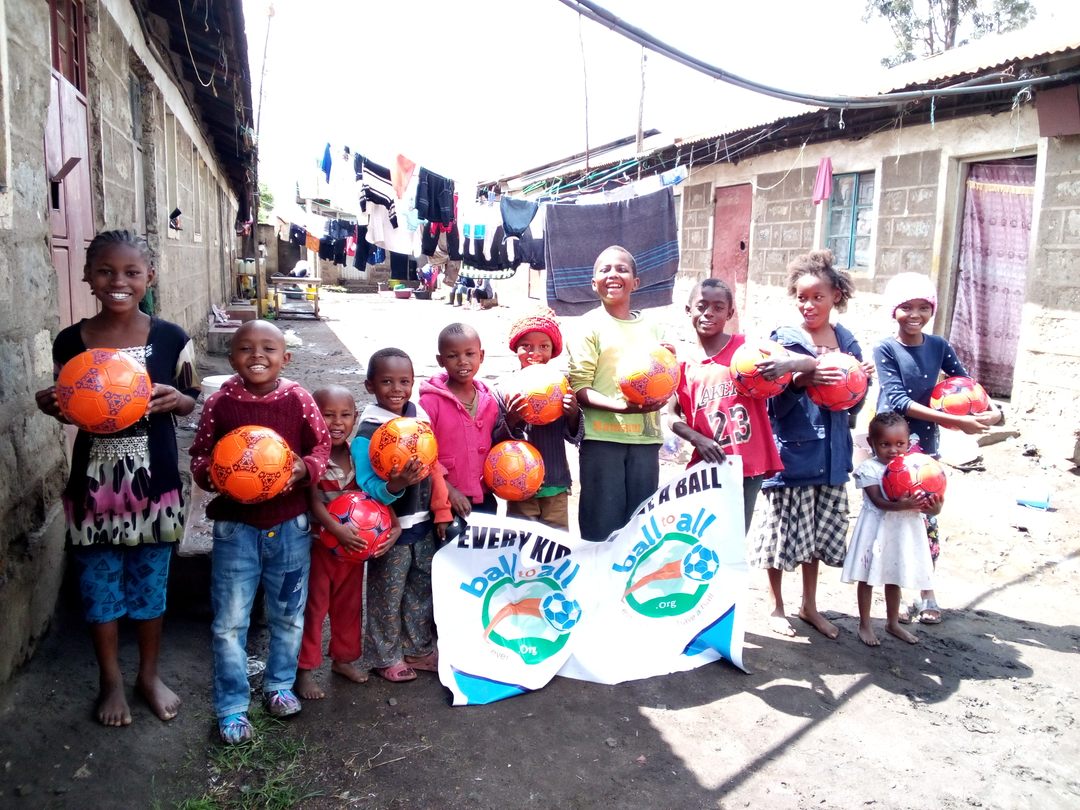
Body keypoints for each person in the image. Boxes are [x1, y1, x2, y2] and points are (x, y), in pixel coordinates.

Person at [34, 230, 198, 728]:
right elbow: (71, 405)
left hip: (155, 481)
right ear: (88, 276)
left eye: (131, 272)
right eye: (105, 271)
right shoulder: (70, 341)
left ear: (150, 276)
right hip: (94, 484)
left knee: (150, 582)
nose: (118, 281)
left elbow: (190, 399)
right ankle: (110, 680)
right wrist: (53, 406)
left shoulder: (171, 338)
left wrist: (178, 399)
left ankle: (148, 675)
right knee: (98, 583)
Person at [190, 319, 331, 744]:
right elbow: (199, 454)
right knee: (230, 622)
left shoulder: (299, 399)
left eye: (268, 348)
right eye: (246, 348)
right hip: (236, 529)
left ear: (285, 358)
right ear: (231, 357)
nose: (257, 356)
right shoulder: (220, 403)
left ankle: (279, 686)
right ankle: (232, 706)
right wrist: (216, 475)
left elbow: (321, 446)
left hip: (290, 526)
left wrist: (304, 469)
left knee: (288, 614)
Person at [750, 250, 873, 639]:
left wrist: (859, 382)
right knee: (780, 535)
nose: (809, 305)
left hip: (832, 453)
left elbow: (853, 406)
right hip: (793, 452)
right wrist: (800, 381)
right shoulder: (784, 341)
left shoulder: (846, 341)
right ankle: (776, 605)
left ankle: (809, 606)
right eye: (802, 297)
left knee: (816, 538)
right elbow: (771, 400)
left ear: (836, 295)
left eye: (818, 297)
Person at [872, 272, 1000, 624]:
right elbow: (898, 401)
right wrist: (956, 420)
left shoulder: (939, 346)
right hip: (891, 448)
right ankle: (892, 597)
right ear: (893, 310)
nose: (915, 314)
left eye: (924, 307)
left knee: (927, 520)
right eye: (906, 307)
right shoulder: (886, 349)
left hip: (925, 450)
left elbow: (965, 384)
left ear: (933, 309)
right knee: (893, 521)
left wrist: (991, 410)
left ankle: (927, 593)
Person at [353, 349, 452, 682]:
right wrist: (395, 485)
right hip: (390, 529)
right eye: (386, 382)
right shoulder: (368, 432)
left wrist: (441, 510)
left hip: (422, 522)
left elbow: (434, 467)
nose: (396, 389)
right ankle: (385, 656)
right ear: (370, 386)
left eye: (404, 381)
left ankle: (417, 649)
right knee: (387, 593)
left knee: (420, 588)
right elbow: (366, 485)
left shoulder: (418, 418)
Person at [296, 386, 400, 700]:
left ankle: (343, 659)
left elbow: (374, 496)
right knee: (314, 610)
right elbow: (313, 502)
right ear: (314, 417)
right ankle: (304, 670)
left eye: (344, 415)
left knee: (349, 608)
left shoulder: (359, 455)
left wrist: (393, 526)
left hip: (354, 552)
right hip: (320, 549)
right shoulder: (314, 458)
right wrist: (336, 530)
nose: (336, 422)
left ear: (355, 418)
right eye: (327, 415)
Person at [567, 245, 667, 542]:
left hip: (646, 440)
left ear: (636, 282)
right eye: (605, 269)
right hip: (602, 440)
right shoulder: (588, 326)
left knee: (640, 530)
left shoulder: (654, 328)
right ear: (593, 282)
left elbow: (666, 378)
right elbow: (580, 386)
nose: (613, 274)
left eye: (622, 269)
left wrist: (669, 364)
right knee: (601, 530)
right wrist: (621, 407)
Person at [670, 278, 783, 534]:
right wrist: (697, 438)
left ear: (730, 313)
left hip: (747, 462)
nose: (709, 313)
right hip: (707, 464)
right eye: (701, 306)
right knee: (702, 536)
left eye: (718, 307)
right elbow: (670, 414)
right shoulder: (682, 365)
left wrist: (786, 364)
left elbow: (803, 363)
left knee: (734, 538)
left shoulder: (748, 351)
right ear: (688, 310)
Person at [841, 413, 940, 646]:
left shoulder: (917, 469)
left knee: (894, 577)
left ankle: (893, 623)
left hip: (902, 532)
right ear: (872, 443)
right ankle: (865, 624)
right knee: (866, 577)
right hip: (875, 531)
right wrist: (904, 505)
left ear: (908, 442)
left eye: (900, 444)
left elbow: (933, 502)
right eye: (885, 444)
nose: (893, 450)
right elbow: (878, 501)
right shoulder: (869, 468)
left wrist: (935, 507)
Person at [499, 309, 583, 530]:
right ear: (515, 348)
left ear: (553, 350)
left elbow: (573, 436)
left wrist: (572, 413)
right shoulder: (505, 387)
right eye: (526, 346)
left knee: (556, 543)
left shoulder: (560, 386)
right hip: (519, 486)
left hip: (556, 484)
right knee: (521, 543)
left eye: (544, 346)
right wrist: (512, 420)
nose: (535, 353)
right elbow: (496, 440)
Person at [420, 323, 509, 517]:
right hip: (445, 500)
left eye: (470, 354)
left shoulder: (489, 401)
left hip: (485, 497)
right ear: (440, 360)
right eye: (452, 356)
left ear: (481, 356)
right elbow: (422, 455)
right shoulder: (429, 403)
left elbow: (498, 444)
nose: (462, 361)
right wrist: (449, 491)